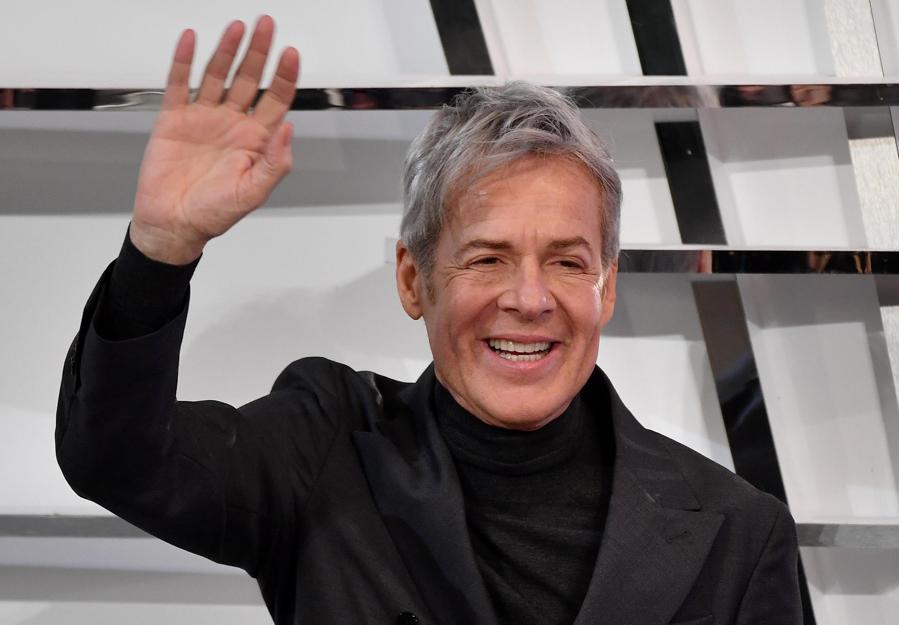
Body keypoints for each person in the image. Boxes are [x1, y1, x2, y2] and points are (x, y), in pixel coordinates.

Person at [56, 15, 802, 625]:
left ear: (605, 289)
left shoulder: (739, 533)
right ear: (414, 279)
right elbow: (116, 459)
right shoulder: (325, 452)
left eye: (568, 262)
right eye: (487, 258)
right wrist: (160, 251)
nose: (530, 298)